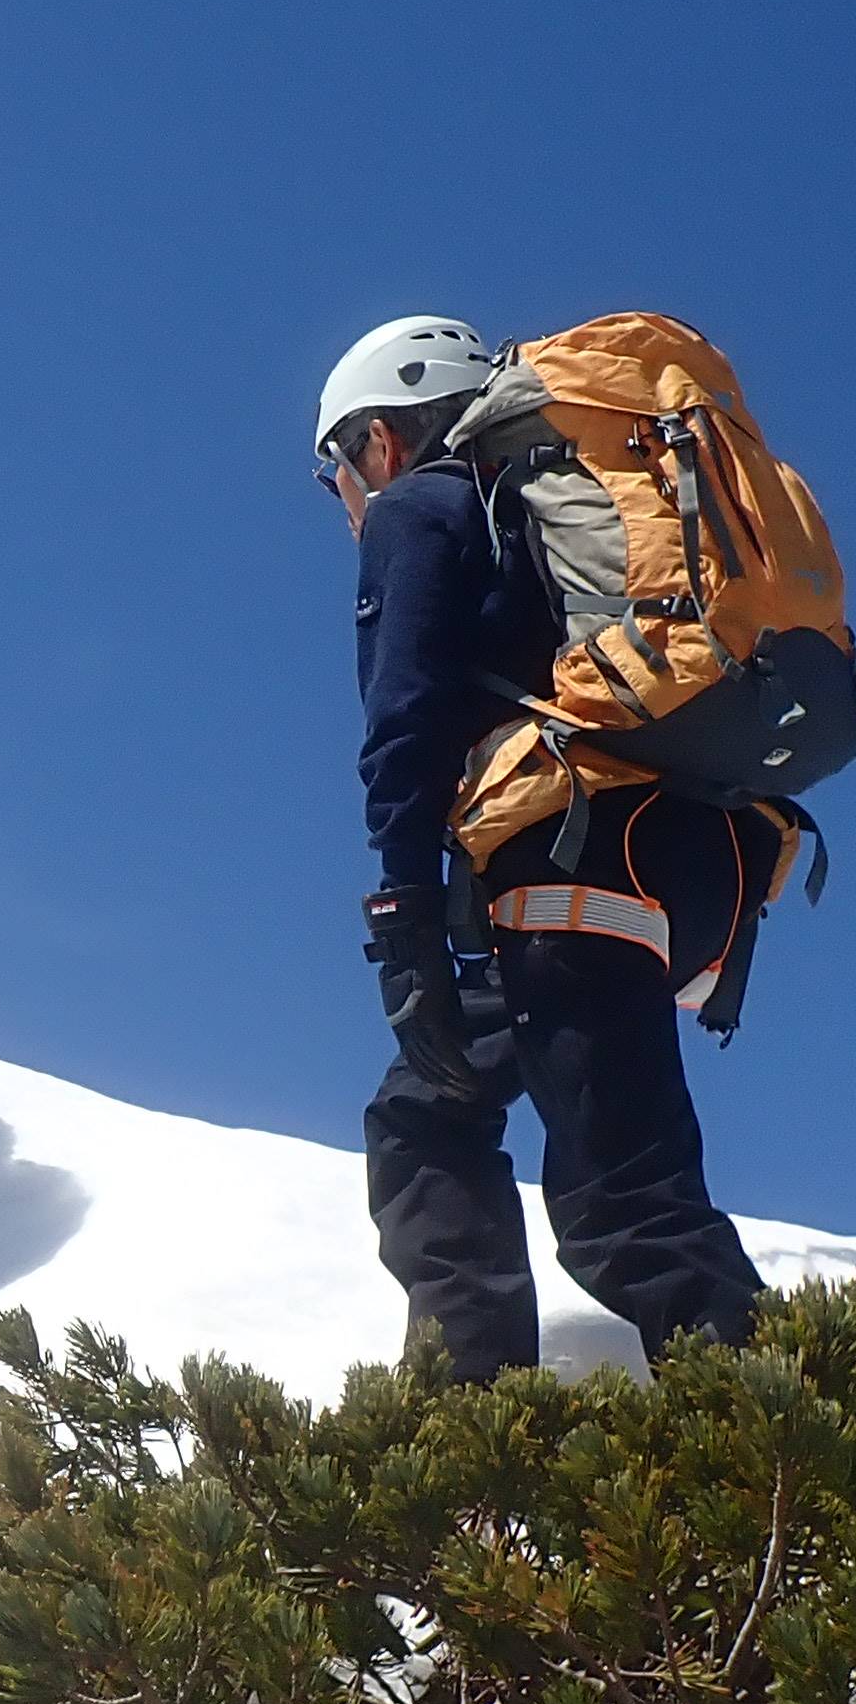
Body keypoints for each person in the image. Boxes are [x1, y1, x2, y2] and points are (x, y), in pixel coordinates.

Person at [318, 315, 781, 1379]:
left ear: (378, 439)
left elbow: (405, 722)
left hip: (568, 861)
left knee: (623, 1202)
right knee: (423, 1115)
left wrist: (404, 917)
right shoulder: (544, 507)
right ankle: (480, 1434)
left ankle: (786, 1452)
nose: (340, 496)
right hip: (681, 856)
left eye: (335, 465)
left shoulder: (420, 507)